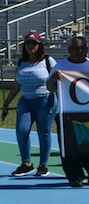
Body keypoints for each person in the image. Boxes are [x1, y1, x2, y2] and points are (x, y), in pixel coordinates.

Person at [47, 36, 89, 186]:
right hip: (66, 112)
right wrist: (53, 78)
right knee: (69, 146)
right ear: (69, 50)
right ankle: (75, 177)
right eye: (75, 48)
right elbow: (49, 87)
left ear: (86, 49)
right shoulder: (60, 66)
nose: (79, 51)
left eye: (82, 48)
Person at [2, 33, 58, 177]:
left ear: (40, 45)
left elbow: (56, 82)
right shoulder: (20, 63)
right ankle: (26, 163)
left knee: (43, 132)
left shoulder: (48, 61)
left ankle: (43, 165)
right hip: (25, 101)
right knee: (22, 130)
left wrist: (59, 101)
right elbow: (16, 85)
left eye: (34, 43)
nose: (31, 46)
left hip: (44, 100)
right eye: (28, 43)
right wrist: (6, 104)